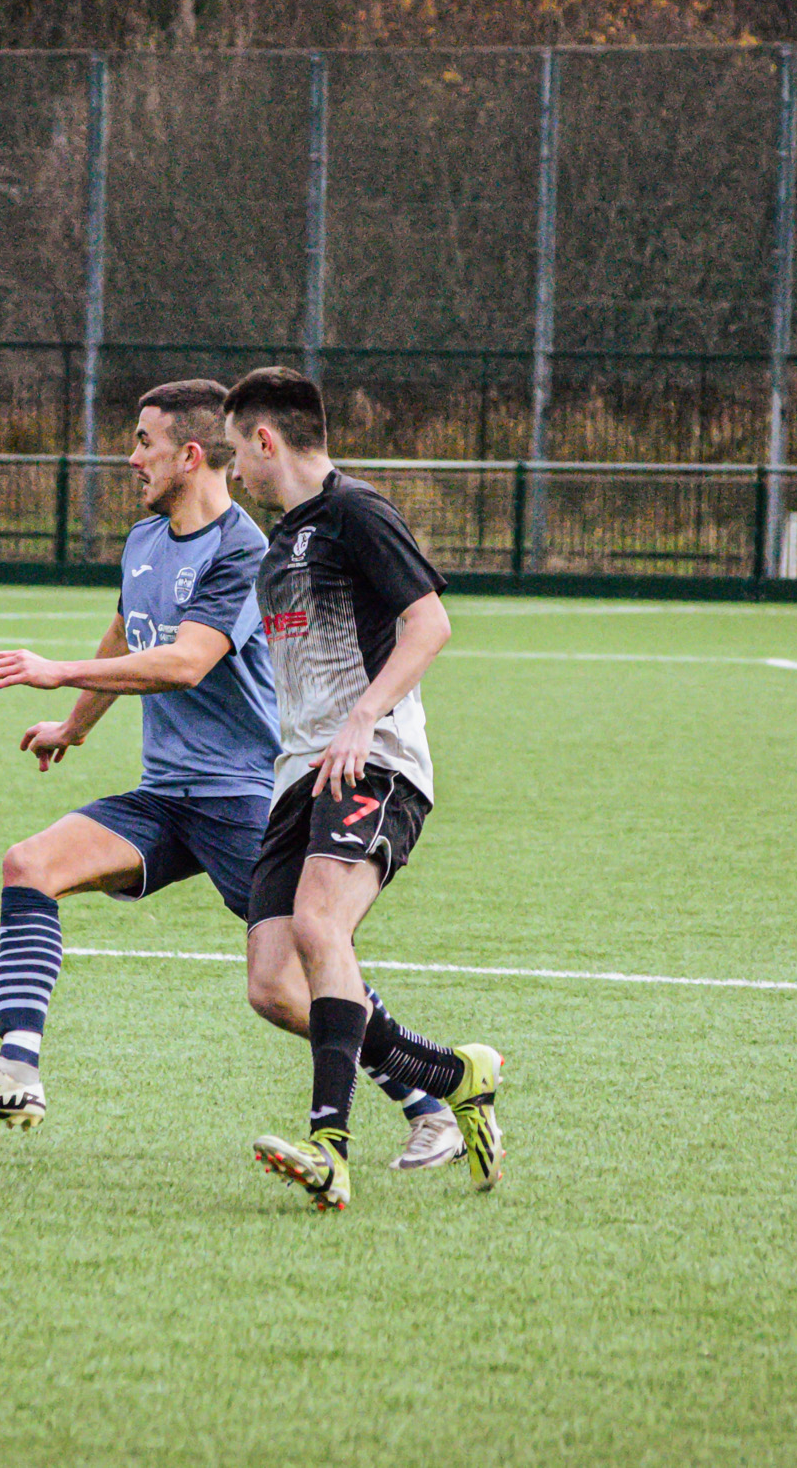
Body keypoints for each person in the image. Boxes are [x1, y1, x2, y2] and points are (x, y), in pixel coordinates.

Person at [0, 379, 466, 1173]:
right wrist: (73, 724)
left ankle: (430, 1104)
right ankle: (16, 1069)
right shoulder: (145, 541)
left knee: (291, 979)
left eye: (143, 440)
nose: (131, 456)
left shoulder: (248, 549)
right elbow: (127, 633)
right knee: (28, 865)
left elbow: (185, 660)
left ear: (190, 452)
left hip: (245, 796)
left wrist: (52, 670)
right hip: (165, 795)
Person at [221, 365, 502, 1213]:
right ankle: (455, 1076)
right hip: (299, 777)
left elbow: (431, 622)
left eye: (237, 452)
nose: (235, 472)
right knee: (273, 984)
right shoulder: (278, 546)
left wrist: (362, 716)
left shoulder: (356, 511)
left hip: (373, 761)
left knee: (318, 923)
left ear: (266, 440)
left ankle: (329, 1148)